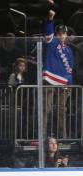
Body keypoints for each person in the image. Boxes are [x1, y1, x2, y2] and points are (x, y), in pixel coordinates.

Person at [44, 9, 74, 138]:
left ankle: (63, 137)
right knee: (46, 108)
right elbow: (48, 33)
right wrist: (50, 19)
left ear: (66, 35)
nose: (61, 35)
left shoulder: (69, 50)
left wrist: (69, 85)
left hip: (63, 83)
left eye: (63, 33)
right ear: (56, 34)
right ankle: (43, 135)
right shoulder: (52, 42)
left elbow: (70, 69)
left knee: (62, 110)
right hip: (49, 80)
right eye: (59, 33)